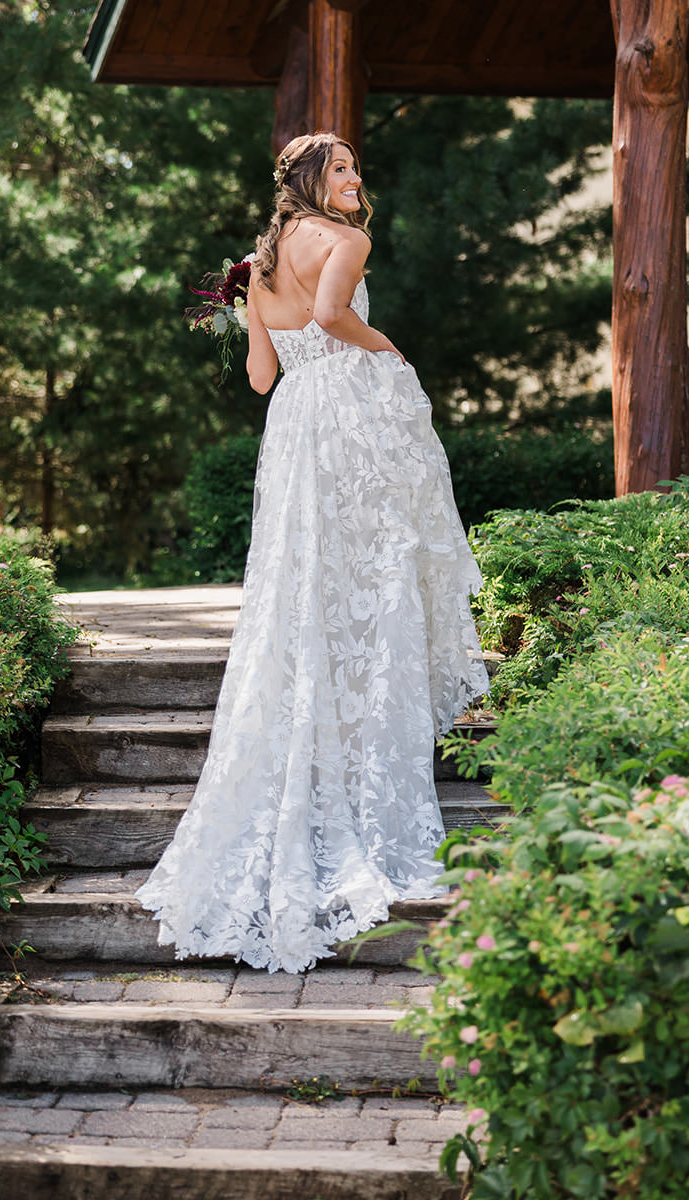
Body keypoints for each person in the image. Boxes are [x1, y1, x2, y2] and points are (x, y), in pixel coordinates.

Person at [137, 131, 488, 973]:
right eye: (340, 169)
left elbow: (261, 376)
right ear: (307, 180)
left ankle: (311, 751)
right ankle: (362, 760)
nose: (355, 180)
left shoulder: (257, 266)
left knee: (303, 593)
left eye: (355, 169)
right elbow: (333, 317)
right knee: (373, 581)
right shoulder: (349, 242)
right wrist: (391, 350)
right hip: (351, 419)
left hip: (295, 428)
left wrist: (258, 315)